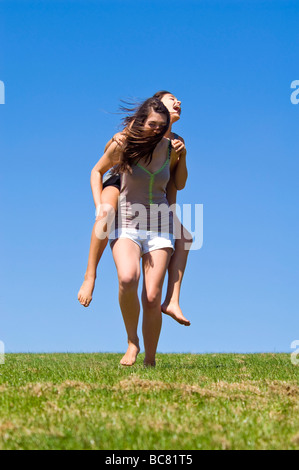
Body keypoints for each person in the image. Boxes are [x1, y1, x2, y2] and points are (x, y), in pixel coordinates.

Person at [78, 91, 192, 326]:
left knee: (185, 237)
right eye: (172, 99)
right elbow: (107, 158)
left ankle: (172, 300)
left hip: (151, 196)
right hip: (121, 178)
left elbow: (174, 184)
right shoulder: (136, 127)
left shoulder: (175, 142)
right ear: (155, 106)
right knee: (106, 214)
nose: (178, 102)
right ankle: (90, 275)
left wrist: (170, 214)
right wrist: (115, 138)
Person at [90, 97, 181, 366]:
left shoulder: (171, 150)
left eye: (161, 126)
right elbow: (97, 170)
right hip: (128, 224)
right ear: (141, 122)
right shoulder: (123, 144)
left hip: (159, 227)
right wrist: (99, 207)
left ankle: (150, 360)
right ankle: (132, 342)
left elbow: (174, 186)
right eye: (152, 124)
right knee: (128, 278)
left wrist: (173, 220)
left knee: (152, 296)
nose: (156, 129)